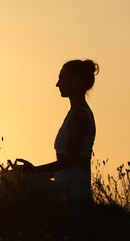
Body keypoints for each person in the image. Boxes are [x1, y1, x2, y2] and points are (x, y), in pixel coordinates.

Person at [16, 59, 99, 206]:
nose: (58, 84)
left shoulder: (80, 115)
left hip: (73, 190)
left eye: (62, 78)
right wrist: (31, 172)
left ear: (77, 80)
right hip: (65, 185)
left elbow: (69, 161)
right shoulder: (73, 113)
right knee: (15, 177)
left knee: (13, 183)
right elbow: (61, 169)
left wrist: (35, 170)